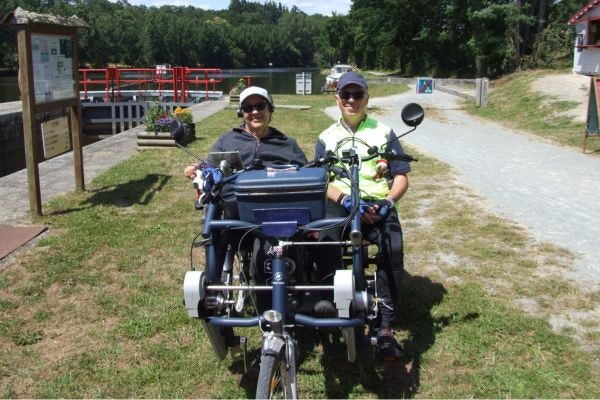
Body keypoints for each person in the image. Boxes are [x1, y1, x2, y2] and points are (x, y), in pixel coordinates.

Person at [315, 71, 410, 360]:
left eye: (358, 95)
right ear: (338, 99)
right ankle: (334, 299)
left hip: (376, 203)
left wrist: (388, 202)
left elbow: (402, 176)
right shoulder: (326, 137)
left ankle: (385, 323)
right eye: (346, 95)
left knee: (392, 247)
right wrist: (343, 199)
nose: (352, 100)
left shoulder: (384, 132)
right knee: (323, 239)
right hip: (341, 204)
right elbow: (321, 180)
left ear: (368, 98)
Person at [183, 86, 308, 308]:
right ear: (242, 113)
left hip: (272, 210)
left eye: (260, 106)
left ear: (270, 109)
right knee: (218, 222)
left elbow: (307, 175)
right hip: (236, 206)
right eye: (248, 108)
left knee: (263, 259)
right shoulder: (228, 140)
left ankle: (271, 314)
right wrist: (197, 168)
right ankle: (212, 285)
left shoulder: (287, 144)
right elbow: (210, 165)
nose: (254, 112)